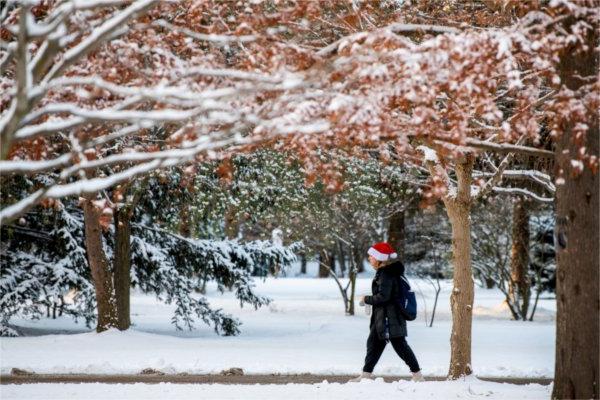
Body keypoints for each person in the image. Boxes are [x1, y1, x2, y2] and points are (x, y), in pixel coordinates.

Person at [350, 242, 423, 382]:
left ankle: (417, 375)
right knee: (373, 344)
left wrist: (367, 299)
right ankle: (365, 375)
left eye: (371, 256)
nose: (369, 259)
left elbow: (384, 297)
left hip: (389, 318)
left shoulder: (386, 274)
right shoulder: (386, 272)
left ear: (379, 258)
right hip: (383, 317)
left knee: (400, 346)